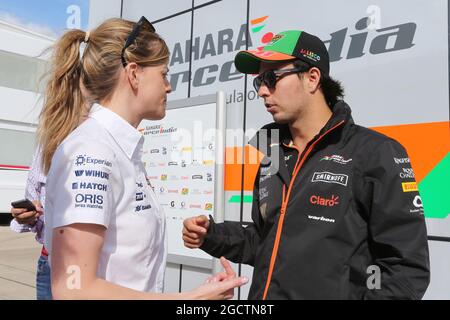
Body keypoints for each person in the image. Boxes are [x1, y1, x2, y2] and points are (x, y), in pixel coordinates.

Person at [182, 30, 430, 299]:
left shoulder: (376, 153)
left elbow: (405, 271)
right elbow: (266, 240)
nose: (263, 91)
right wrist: (211, 235)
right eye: (259, 83)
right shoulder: (274, 153)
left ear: (312, 78)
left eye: (271, 78)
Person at [41, 16, 247, 299]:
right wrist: (190, 300)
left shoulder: (117, 149)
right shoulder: (91, 152)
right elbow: (73, 289)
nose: (169, 86)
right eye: (164, 74)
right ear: (134, 73)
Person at [10, 147, 51, 300]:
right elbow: (35, 208)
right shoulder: (46, 147)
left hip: (101, 265)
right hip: (49, 262)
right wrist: (27, 216)